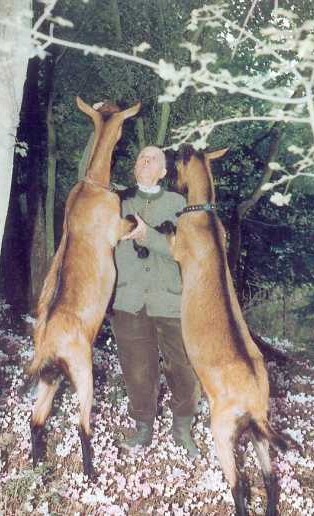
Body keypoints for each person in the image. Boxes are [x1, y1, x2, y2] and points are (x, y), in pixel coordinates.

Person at [111, 145, 201, 456]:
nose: (144, 161)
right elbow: (87, 176)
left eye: (152, 159)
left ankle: (182, 427)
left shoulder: (180, 204)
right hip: (129, 300)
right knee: (137, 368)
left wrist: (146, 236)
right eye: (140, 157)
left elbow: (184, 250)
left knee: (184, 368)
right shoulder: (117, 201)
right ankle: (143, 428)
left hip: (171, 302)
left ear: (164, 172)